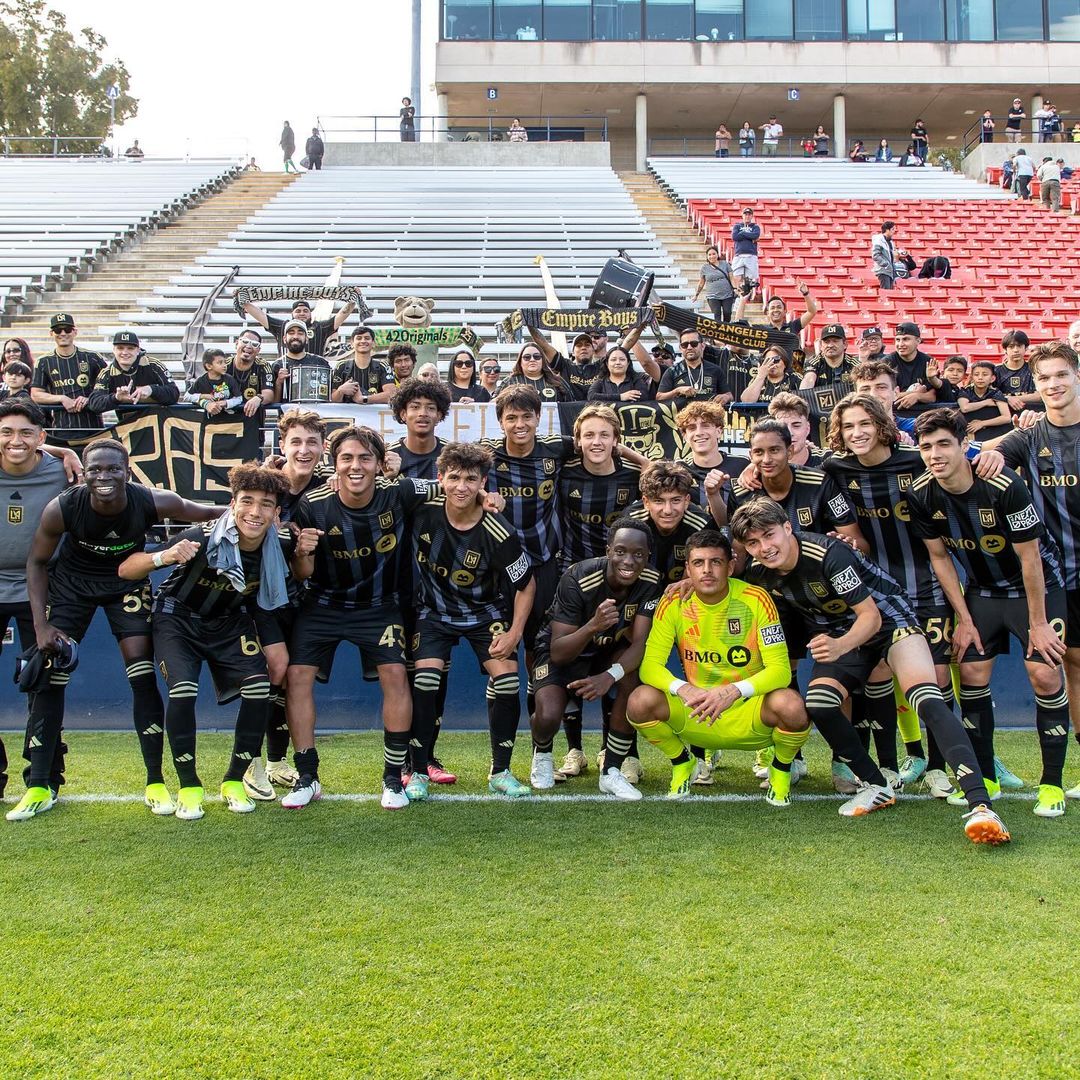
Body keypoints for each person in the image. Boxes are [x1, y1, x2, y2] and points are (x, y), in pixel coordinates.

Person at [732, 499, 1010, 844]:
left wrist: (838, 646)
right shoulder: (759, 574)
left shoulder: (829, 553)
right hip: (839, 635)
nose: (764, 548)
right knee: (819, 704)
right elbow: (728, 588)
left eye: (769, 536)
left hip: (888, 622)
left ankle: (980, 805)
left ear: (788, 528)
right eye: (753, 543)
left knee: (926, 698)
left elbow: (871, 617)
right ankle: (876, 785)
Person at [11, 441, 221, 822]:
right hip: (72, 587)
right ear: (84, 473)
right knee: (49, 674)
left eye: (112, 469)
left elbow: (206, 510)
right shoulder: (63, 507)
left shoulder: (153, 501)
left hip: (126, 584)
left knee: (141, 675)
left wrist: (258, 511)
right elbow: (37, 562)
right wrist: (41, 625)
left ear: (128, 471)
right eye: (95, 470)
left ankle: (155, 782)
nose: (103, 477)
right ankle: (40, 785)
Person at [115, 463, 307, 821]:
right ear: (232, 504)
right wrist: (165, 556)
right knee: (183, 689)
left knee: (259, 688)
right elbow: (127, 568)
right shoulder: (203, 536)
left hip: (228, 622)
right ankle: (189, 786)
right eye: (247, 501)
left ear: (277, 513)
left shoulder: (281, 541)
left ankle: (234, 780)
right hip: (177, 618)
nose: (255, 512)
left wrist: (305, 551)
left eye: (266, 504)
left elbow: (301, 571)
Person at [909, 409, 1069, 819]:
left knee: (1045, 672)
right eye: (926, 446)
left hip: (1037, 590)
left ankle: (1051, 784)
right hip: (981, 592)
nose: (934, 454)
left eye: (944, 444)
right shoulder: (921, 492)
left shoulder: (1003, 484)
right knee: (973, 673)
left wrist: (1036, 623)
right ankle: (988, 778)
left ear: (965, 445)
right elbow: (939, 558)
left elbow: (1030, 557)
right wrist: (962, 617)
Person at [286, 426, 445, 811]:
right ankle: (307, 776)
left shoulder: (400, 491)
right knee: (297, 676)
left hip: (380, 606)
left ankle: (393, 779)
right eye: (346, 458)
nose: (355, 466)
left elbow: (450, 485)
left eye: (364, 458)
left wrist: (485, 498)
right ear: (333, 463)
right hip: (322, 605)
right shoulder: (313, 504)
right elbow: (302, 574)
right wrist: (303, 554)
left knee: (395, 675)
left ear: (379, 464)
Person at [629, 528, 810, 804]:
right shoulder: (673, 602)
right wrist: (683, 689)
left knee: (792, 705)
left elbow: (781, 671)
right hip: (697, 711)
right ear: (687, 568)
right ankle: (682, 762)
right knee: (640, 700)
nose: (707, 570)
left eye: (716, 562)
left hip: (749, 713)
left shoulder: (757, 599)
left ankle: (781, 769)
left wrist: (734, 691)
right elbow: (649, 667)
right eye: (698, 563)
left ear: (731, 565)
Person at [405, 442, 534, 800]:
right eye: (455, 478)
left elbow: (526, 585)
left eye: (471, 479)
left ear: (484, 483)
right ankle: (416, 771)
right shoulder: (421, 509)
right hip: (433, 612)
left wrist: (514, 632)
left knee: (507, 681)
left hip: (484, 613)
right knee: (427, 679)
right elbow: (379, 490)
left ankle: (501, 771)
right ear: (440, 479)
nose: (462, 486)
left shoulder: (498, 530)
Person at [981, 341, 1080, 798]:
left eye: (1062, 375)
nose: (1054, 385)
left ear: (1076, 377)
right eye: (1044, 379)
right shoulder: (1030, 435)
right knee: (1072, 665)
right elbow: (982, 453)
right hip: (1058, 577)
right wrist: (995, 452)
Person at [531, 517, 663, 799]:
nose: (629, 561)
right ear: (608, 551)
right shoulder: (578, 576)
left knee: (632, 677)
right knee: (549, 715)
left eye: (638, 554)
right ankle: (542, 754)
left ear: (647, 556)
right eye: (621, 551)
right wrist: (593, 625)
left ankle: (611, 771)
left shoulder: (652, 580)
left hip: (606, 651)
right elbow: (559, 651)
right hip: (564, 649)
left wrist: (609, 676)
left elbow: (640, 643)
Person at [0, 401, 70, 800]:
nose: (16, 440)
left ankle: (43, 776)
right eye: (7, 432)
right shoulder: (61, 456)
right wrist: (67, 448)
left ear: (41, 438)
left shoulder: (60, 470)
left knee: (43, 683)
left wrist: (66, 453)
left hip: (41, 585)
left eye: (26, 433)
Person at [481, 386, 578, 670]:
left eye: (527, 416)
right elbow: (454, 478)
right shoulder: (485, 453)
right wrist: (482, 496)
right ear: (500, 422)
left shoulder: (556, 448)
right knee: (500, 649)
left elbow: (602, 441)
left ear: (538, 417)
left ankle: (537, 702)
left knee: (538, 644)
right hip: (500, 566)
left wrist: (644, 463)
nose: (519, 425)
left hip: (543, 561)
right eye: (511, 418)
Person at [30, 313, 107, 435]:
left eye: (67, 329)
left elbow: (110, 386)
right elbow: (35, 395)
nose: (63, 333)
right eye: (57, 330)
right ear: (51, 333)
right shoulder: (43, 362)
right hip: (61, 430)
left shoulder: (93, 357)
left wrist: (90, 399)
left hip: (93, 428)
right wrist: (61, 398)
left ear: (75, 332)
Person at [675, 400, 748, 515]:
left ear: (719, 431)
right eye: (692, 428)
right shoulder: (678, 470)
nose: (699, 432)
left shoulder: (743, 465)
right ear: (684, 436)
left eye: (705, 426)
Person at [86, 331, 179, 415]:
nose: (125, 352)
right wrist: (116, 398)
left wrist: (151, 390)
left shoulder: (154, 365)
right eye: (120, 348)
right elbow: (94, 403)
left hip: (158, 424)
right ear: (114, 350)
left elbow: (174, 394)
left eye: (130, 348)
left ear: (138, 350)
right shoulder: (107, 373)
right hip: (127, 428)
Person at [241, 293, 355, 360]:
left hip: (313, 370)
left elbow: (341, 316)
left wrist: (353, 301)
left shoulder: (319, 327)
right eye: (298, 311)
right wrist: (243, 301)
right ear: (292, 314)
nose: (302, 313)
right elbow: (260, 315)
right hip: (285, 373)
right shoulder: (282, 327)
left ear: (311, 314)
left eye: (306, 311)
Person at [656, 328, 723, 410]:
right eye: (685, 345)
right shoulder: (672, 371)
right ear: (680, 348)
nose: (689, 347)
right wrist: (677, 391)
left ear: (702, 346)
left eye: (694, 344)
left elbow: (729, 395)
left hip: (709, 419)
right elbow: (659, 398)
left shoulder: (715, 369)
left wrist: (725, 397)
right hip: (682, 420)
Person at [331, 326, 394, 404]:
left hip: (374, 415)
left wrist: (364, 399)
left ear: (373, 343)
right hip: (347, 415)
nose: (363, 341)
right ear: (352, 343)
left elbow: (392, 395)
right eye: (359, 338)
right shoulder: (341, 366)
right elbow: (332, 399)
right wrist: (341, 391)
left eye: (367, 338)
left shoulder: (383, 366)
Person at [883, 321, 936, 408]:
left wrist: (917, 396)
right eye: (898, 340)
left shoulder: (928, 362)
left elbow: (932, 396)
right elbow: (885, 395)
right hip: (894, 412)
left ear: (918, 341)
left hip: (922, 413)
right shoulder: (887, 362)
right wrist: (914, 393)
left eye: (906, 339)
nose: (900, 344)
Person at [956, 362, 1013, 441]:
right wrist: (986, 402)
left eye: (985, 374)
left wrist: (982, 423)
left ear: (992, 378)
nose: (980, 378)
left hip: (991, 434)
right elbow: (965, 408)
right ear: (972, 377)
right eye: (976, 374)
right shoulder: (965, 391)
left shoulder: (995, 392)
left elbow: (1006, 418)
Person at [768, 392, 827, 467]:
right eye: (782, 426)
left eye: (796, 426)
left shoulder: (827, 460)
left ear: (808, 428)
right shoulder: (762, 464)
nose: (790, 433)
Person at [501, 342, 573, 402]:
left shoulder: (558, 381)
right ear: (520, 361)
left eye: (537, 356)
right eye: (527, 357)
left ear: (543, 360)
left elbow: (571, 406)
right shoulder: (509, 381)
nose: (532, 360)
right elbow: (493, 405)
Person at [227, 328, 274, 417]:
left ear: (258, 350)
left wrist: (258, 398)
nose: (248, 346)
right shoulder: (224, 366)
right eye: (245, 341)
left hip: (251, 418)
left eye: (254, 344)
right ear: (236, 343)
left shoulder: (264, 366)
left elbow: (269, 394)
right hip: (224, 418)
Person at [800, 324, 857, 391]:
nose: (830, 345)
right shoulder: (813, 363)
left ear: (845, 344)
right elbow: (808, 380)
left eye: (835, 341)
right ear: (821, 345)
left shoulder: (854, 364)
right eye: (826, 342)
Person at [587, 346, 653, 402]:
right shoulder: (600, 381)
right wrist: (621, 397)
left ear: (628, 363)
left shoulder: (636, 380)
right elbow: (591, 396)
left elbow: (643, 396)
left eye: (622, 359)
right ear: (607, 364)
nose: (618, 362)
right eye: (613, 360)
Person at [188, 349, 243, 414]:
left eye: (225, 362)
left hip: (229, 418)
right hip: (209, 420)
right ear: (208, 366)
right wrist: (202, 396)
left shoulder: (230, 379)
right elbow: (187, 396)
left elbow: (239, 398)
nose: (224, 365)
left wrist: (226, 403)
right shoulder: (201, 381)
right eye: (220, 363)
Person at [693, 245, 736, 323]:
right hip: (712, 296)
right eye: (709, 254)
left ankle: (726, 329)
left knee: (727, 312)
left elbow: (731, 278)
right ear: (707, 256)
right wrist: (696, 295)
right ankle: (719, 332)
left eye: (714, 254)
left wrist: (735, 289)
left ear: (717, 254)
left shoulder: (725, 264)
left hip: (727, 294)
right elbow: (701, 282)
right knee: (716, 314)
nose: (712, 256)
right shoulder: (704, 268)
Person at [730, 207, 761, 295]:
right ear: (742, 215)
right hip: (739, 255)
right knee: (737, 277)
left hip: (751, 255)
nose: (747, 216)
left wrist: (742, 234)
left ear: (751, 216)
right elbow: (735, 237)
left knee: (749, 280)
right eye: (745, 214)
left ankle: (747, 296)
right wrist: (748, 236)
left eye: (749, 214)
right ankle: (737, 295)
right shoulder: (737, 226)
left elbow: (755, 235)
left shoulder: (755, 226)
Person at [871, 221, 897, 291]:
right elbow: (875, 255)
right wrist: (886, 264)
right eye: (893, 229)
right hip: (883, 271)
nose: (894, 231)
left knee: (890, 293)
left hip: (890, 271)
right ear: (887, 230)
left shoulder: (890, 242)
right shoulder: (879, 240)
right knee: (886, 293)